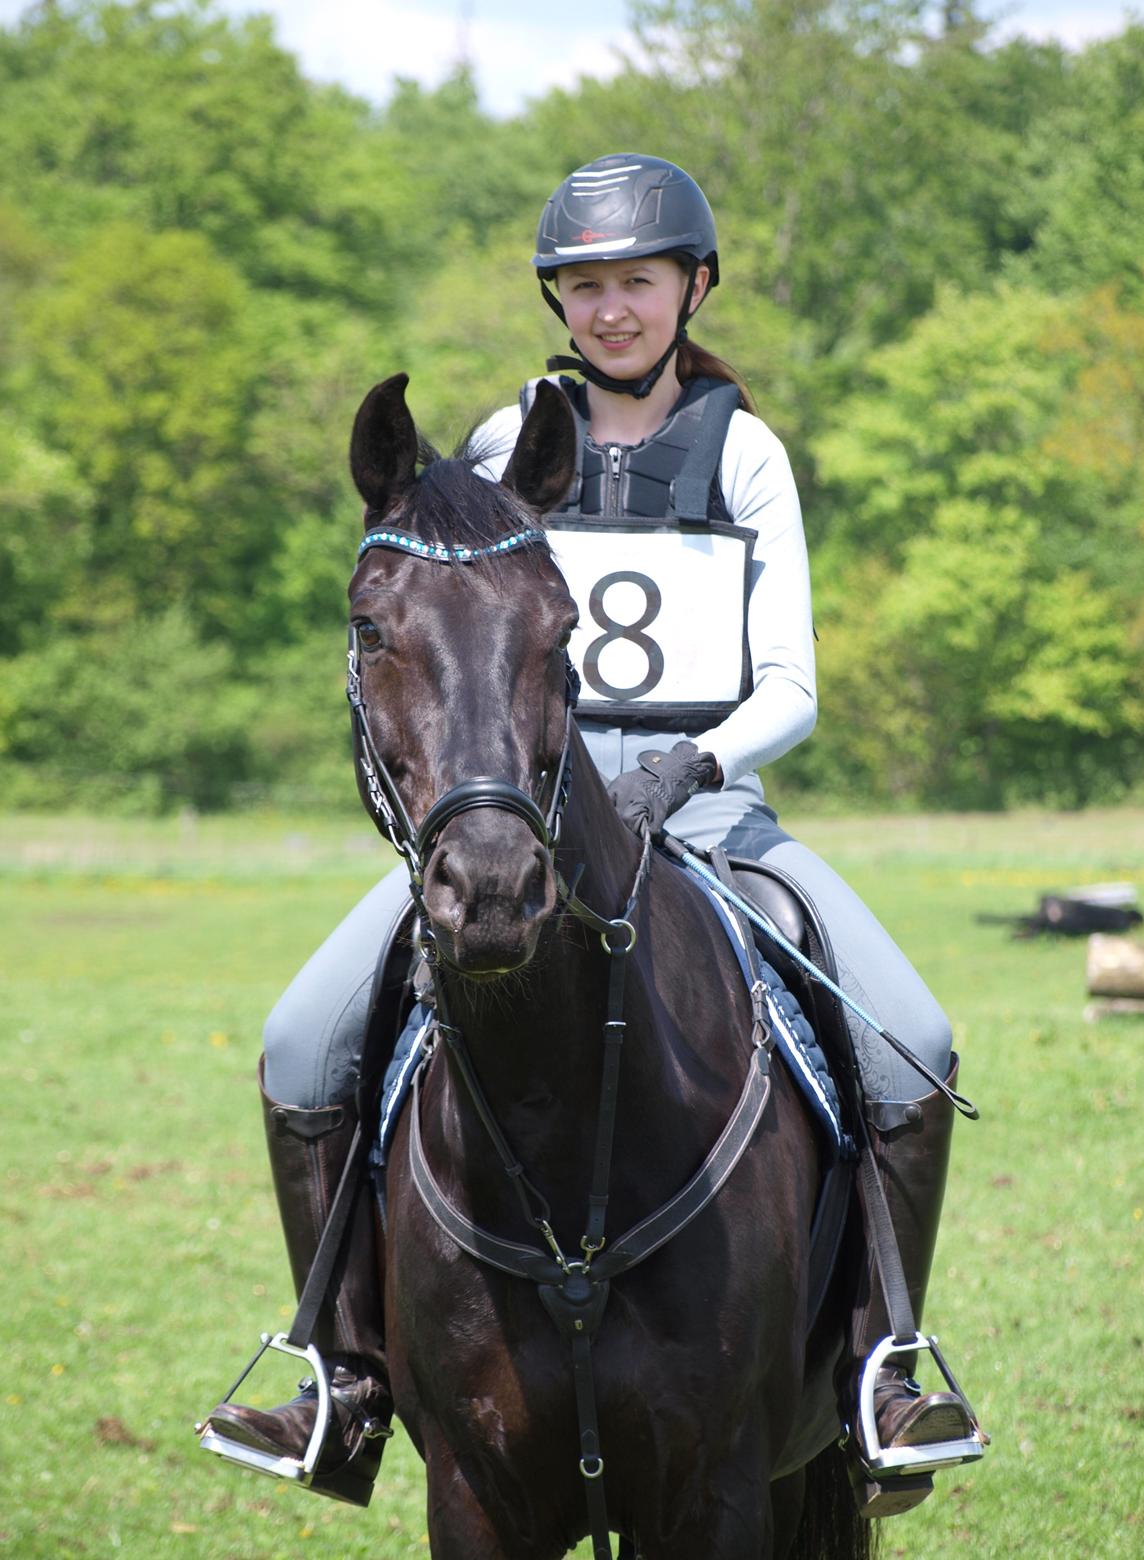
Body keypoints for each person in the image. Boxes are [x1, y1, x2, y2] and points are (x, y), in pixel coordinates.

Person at [206, 153, 983, 1516]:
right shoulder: (510, 448)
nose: (610, 309)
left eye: (635, 281)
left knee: (911, 1045)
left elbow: (793, 684)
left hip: (712, 815)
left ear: (691, 285)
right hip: (511, 814)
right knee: (299, 1040)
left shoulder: (741, 448)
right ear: (556, 302)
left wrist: (683, 768)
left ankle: (883, 1367)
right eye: (583, 287)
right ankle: (339, 1380)